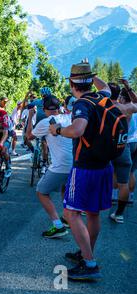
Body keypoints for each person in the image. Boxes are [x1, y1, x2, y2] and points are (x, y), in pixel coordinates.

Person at [49, 61, 114, 281]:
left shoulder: (81, 104)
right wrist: (90, 73)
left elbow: (77, 130)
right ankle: (87, 251)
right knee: (93, 212)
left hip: (85, 167)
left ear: (71, 82)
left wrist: (57, 129)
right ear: (90, 80)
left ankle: (89, 263)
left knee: (70, 213)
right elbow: (104, 85)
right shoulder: (102, 96)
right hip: (104, 165)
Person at [28, 95, 73, 238]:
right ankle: (66, 218)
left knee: (41, 191)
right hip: (76, 164)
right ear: (59, 107)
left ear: (44, 109)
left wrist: (30, 116)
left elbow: (29, 136)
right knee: (64, 188)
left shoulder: (46, 122)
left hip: (61, 165)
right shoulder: (68, 118)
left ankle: (58, 226)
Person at [109, 80, 137, 223]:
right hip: (123, 146)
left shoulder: (102, 107)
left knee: (94, 175)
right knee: (123, 181)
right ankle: (119, 214)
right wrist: (128, 87)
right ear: (119, 93)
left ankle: (87, 209)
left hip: (105, 148)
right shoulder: (127, 108)